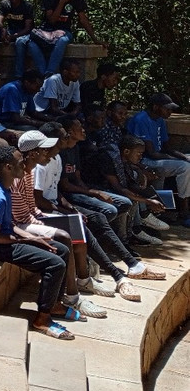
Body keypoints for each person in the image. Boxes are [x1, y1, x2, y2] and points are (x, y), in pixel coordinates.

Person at [33, 122, 164, 285]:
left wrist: (71, 208)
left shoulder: (57, 158)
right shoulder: (39, 165)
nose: (67, 138)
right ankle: (114, 275)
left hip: (55, 205)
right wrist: (67, 211)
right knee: (85, 224)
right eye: (64, 136)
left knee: (97, 218)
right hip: (42, 211)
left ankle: (133, 264)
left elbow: (55, 190)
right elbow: (38, 200)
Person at [0, 146, 75, 340]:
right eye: (21, 162)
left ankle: (54, 304)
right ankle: (42, 320)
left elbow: (9, 224)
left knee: (60, 249)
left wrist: (33, 238)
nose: (25, 165)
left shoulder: (5, 185)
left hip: (5, 236)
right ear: (8, 167)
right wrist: (27, 239)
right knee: (55, 263)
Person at [10, 131, 120, 311]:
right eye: (44, 149)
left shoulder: (28, 172)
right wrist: (48, 222)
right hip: (20, 225)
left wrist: (51, 217)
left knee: (76, 224)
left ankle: (84, 280)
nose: (49, 152)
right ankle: (72, 297)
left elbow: (32, 207)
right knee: (64, 235)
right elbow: (20, 215)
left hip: (31, 218)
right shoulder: (20, 175)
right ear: (33, 153)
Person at [127, 93, 190, 224]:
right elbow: (151, 153)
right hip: (143, 161)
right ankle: (184, 210)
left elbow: (166, 148)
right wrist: (182, 160)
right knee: (186, 167)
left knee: (187, 161)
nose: (170, 112)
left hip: (158, 159)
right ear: (156, 107)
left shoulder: (160, 120)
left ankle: (167, 209)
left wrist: (184, 156)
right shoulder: (141, 120)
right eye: (167, 108)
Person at [30, 0, 104, 74]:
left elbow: (83, 19)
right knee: (31, 44)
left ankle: (49, 72)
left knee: (63, 40)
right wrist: (62, 2)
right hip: (47, 31)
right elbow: (52, 20)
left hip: (64, 31)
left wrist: (95, 39)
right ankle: (43, 72)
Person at [0, 0, 34, 77]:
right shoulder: (4, 4)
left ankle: (18, 74)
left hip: (23, 32)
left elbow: (28, 28)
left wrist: (12, 37)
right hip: (10, 30)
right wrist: (3, 30)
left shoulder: (27, 6)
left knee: (20, 42)